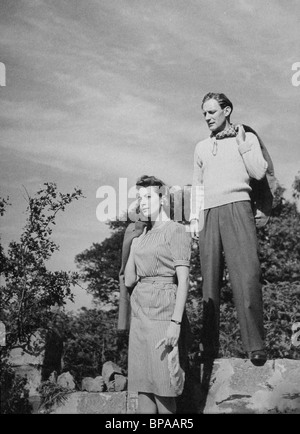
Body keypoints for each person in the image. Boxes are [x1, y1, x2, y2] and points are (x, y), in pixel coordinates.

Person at [190, 92, 270, 366]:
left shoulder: (246, 137)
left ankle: (255, 346)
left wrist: (243, 144)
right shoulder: (201, 147)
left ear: (227, 110)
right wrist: (193, 219)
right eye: (204, 114)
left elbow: (259, 172)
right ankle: (208, 347)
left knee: (247, 275)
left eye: (212, 112)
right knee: (209, 281)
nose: (207, 117)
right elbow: (197, 184)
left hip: (239, 206)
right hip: (208, 212)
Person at [125, 175, 191, 414]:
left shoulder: (177, 231)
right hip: (140, 311)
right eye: (139, 198)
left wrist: (176, 323)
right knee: (143, 389)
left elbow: (183, 281)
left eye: (149, 197)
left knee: (164, 389)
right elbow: (130, 279)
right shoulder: (141, 237)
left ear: (162, 199)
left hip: (164, 311)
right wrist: (134, 243)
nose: (143, 202)